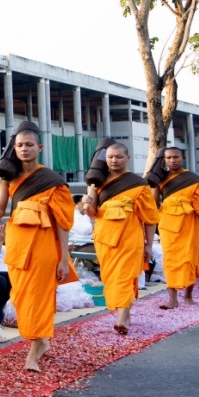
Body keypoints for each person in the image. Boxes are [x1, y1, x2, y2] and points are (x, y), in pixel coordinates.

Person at [0, 120, 76, 372]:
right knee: (22, 296)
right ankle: (41, 341)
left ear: (40, 147)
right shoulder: (7, 177)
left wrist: (62, 258)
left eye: (29, 145)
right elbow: (0, 212)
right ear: (14, 148)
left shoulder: (52, 180)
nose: (24, 149)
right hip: (17, 244)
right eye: (19, 145)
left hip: (44, 246)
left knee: (39, 296)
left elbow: (62, 222)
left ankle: (34, 352)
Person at [83, 140, 159, 334]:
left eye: (118, 157)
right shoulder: (97, 182)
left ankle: (121, 320)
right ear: (104, 159)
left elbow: (149, 219)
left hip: (129, 239)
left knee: (124, 278)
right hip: (105, 239)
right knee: (111, 278)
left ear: (128, 158)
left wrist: (148, 245)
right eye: (110, 157)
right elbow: (92, 212)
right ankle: (125, 313)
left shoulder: (138, 184)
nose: (114, 160)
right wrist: (88, 201)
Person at [150, 145, 199, 309]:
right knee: (170, 260)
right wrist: (153, 182)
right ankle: (172, 299)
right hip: (168, 224)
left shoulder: (193, 179)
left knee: (189, 259)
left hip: (189, 224)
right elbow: (154, 203)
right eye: (168, 158)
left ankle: (188, 295)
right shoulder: (160, 178)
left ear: (183, 158)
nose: (172, 160)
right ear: (164, 160)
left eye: (175, 157)